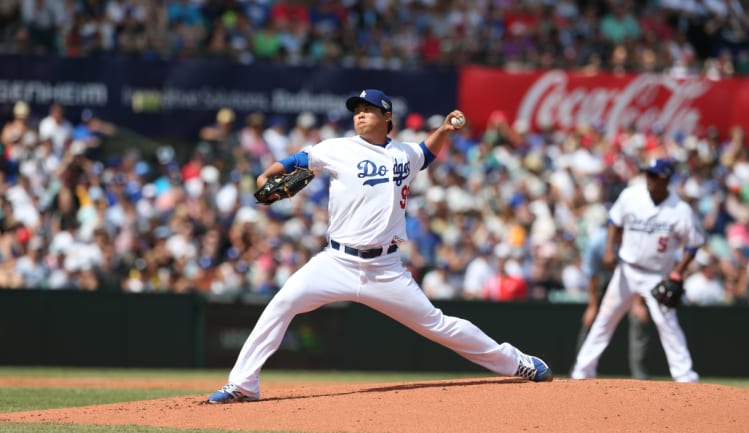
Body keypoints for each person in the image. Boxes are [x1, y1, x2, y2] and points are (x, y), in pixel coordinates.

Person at [208, 89, 553, 403]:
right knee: (282, 303)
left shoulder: (404, 154)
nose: (359, 115)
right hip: (336, 261)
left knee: (438, 324)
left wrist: (445, 130)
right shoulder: (336, 147)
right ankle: (243, 384)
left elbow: (425, 153)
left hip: (385, 269)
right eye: (356, 109)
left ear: (386, 116)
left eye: (368, 109)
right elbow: (299, 160)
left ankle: (516, 362)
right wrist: (266, 174)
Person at [571, 158, 704, 383]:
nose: (649, 179)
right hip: (627, 270)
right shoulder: (631, 196)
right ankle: (582, 371)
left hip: (657, 274)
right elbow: (614, 221)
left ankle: (685, 376)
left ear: (666, 179)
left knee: (667, 325)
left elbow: (693, 243)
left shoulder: (680, 210)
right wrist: (608, 251)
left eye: (655, 175)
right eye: (648, 174)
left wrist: (677, 272)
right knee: (605, 319)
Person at [574, 225, 652, 380]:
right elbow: (593, 276)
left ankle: (640, 375)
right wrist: (593, 306)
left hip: (635, 284)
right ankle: (580, 371)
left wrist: (638, 303)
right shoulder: (597, 242)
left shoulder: (636, 239)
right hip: (604, 284)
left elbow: (640, 273)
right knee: (593, 322)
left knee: (639, 320)